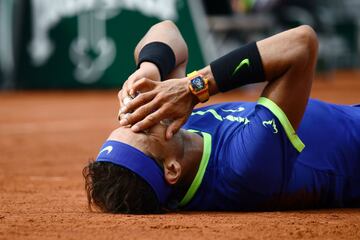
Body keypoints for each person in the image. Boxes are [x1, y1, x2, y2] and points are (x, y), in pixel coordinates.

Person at [82, 20, 360, 214]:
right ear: (172, 169)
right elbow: (301, 44)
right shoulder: (243, 167)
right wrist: (194, 88)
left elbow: (167, 30)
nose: (142, 116)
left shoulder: (175, 129)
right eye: (141, 129)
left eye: (126, 122)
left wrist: (150, 67)